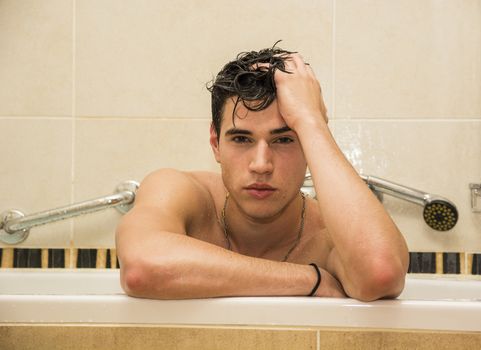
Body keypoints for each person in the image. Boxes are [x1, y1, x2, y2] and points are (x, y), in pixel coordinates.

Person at [116, 43, 409, 301]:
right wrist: (310, 279)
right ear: (216, 144)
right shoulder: (182, 191)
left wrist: (311, 122)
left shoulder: (327, 236)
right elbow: (142, 268)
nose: (261, 164)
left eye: (283, 140)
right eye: (241, 139)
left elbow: (381, 272)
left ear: (308, 147)